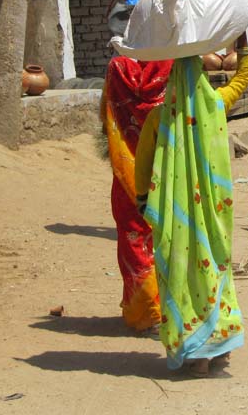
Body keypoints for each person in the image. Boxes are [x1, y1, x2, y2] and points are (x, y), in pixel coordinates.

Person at [134, 32, 248, 376]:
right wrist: (241, 45)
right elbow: (243, 78)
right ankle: (218, 347)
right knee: (214, 270)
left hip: (175, 217)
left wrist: (145, 204)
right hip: (213, 215)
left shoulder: (159, 118)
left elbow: (142, 169)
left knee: (181, 276)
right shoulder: (216, 105)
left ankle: (195, 352)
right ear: (201, 77)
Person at [101, 57, 173, 332]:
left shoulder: (116, 69)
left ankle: (145, 313)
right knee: (169, 238)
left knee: (133, 239)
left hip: (128, 171)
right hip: (167, 170)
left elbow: (105, 117)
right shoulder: (174, 64)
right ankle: (172, 310)